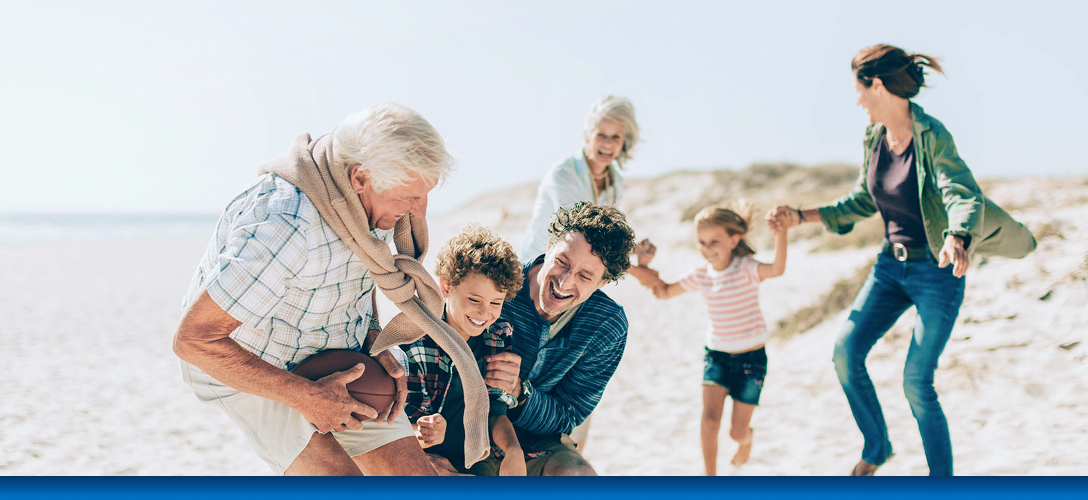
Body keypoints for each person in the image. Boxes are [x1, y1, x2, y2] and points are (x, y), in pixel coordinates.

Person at [172, 103, 493, 476]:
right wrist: (306, 397)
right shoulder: (286, 226)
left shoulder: (369, 199)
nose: (418, 212)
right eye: (409, 197)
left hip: (326, 352)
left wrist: (371, 336)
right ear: (359, 178)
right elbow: (193, 340)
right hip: (249, 361)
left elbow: (357, 272)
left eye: (423, 195)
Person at [770, 44, 1036, 476]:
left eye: (858, 89)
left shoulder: (933, 136)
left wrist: (958, 236)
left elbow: (960, 192)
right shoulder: (874, 137)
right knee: (845, 352)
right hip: (890, 269)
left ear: (876, 85)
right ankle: (876, 448)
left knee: (916, 381)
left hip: (937, 271)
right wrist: (802, 216)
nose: (856, 99)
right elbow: (862, 200)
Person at [519, 95, 655, 450]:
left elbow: (602, 246)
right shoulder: (565, 174)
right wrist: (639, 271)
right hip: (539, 281)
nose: (607, 145)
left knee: (577, 369)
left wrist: (635, 253)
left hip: (578, 281)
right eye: (601, 135)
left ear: (626, 141)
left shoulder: (614, 182)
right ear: (587, 134)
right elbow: (578, 237)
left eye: (615, 137)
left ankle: (566, 448)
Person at [479, 201, 637, 475]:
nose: (564, 282)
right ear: (549, 247)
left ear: (602, 284)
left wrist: (519, 392)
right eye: (562, 261)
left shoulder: (607, 325)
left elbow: (569, 415)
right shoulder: (495, 285)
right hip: (461, 427)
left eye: (585, 276)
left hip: (538, 442)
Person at [633, 203, 789, 475]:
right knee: (709, 422)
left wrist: (781, 233)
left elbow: (776, 269)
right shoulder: (701, 274)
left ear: (734, 239)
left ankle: (747, 439)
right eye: (701, 242)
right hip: (716, 356)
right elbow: (664, 291)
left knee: (736, 433)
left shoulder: (746, 268)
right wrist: (640, 268)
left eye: (713, 241)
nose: (707, 248)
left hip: (751, 361)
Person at [400, 224, 527, 476]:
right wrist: (425, 430)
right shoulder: (418, 342)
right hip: (424, 458)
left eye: (495, 303)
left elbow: (495, 408)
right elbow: (406, 427)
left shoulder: (498, 335)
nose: (484, 313)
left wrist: (513, 449)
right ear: (446, 287)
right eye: (474, 300)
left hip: (475, 453)